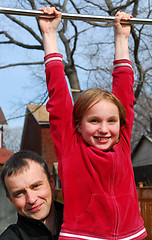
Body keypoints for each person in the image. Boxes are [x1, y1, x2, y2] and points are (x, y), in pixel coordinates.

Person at [39, 7, 147, 240]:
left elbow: (125, 94)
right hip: (84, 236)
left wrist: (122, 37)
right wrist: (49, 35)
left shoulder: (123, 144)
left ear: (121, 124)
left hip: (132, 235)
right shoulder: (71, 148)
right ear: (78, 125)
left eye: (111, 121)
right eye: (94, 121)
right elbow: (58, 100)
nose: (104, 129)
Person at [0, 150, 63, 240]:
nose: (31, 200)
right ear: (10, 200)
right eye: (19, 193)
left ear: (51, 183)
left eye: (36, 186)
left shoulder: (83, 226)